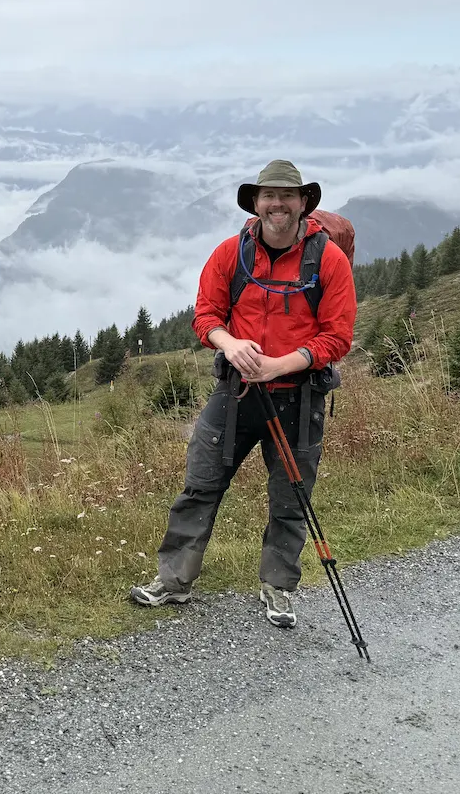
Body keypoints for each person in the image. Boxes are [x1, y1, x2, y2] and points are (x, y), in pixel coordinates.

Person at [129, 160, 356, 627]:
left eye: (287, 196)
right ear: (255, 203)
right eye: (269, 196)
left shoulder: (328, 261)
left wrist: (280, 363)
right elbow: (205, 315)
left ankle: (278, 587)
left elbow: (338, 338)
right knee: (201, 485)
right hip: (235, 395)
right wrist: (230, 345)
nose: (278, 204)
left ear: (303, 204)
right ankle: (173, 582)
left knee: (291, 500)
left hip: (299, 397)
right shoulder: (229, 255)